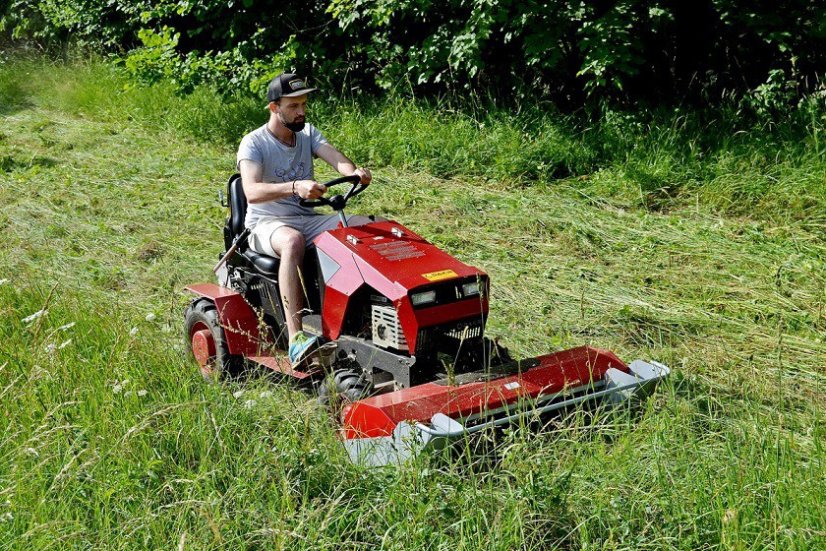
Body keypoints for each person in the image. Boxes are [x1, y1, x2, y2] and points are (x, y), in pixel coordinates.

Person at [237, 72, 374, 366]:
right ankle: (296, 340)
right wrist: (294, 186)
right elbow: (251, 191)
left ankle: (363, 318)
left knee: (366, 226)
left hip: (305, 217)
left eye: (304, 104)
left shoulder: (308, 133)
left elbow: (336, 159)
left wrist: (354, 171)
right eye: (293, 106)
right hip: (265, 224)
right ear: (274, 108)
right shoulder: (253, 143)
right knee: (293, 241)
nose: (301, 112)